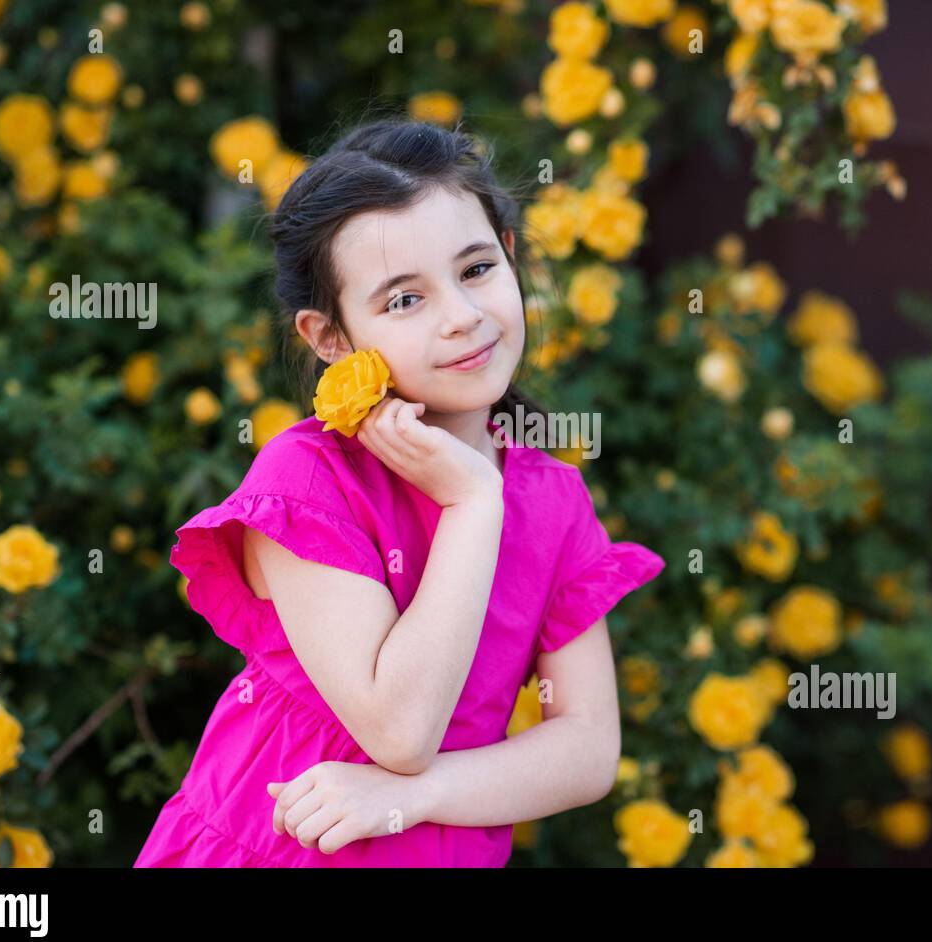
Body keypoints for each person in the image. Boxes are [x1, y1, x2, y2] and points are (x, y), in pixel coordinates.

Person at [133, 117, 665, 867]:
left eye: (476, 268)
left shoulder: (552, 502)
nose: (462, 316)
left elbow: (586, 746)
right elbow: (400, 727)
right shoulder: (307, 481)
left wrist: (414, 795)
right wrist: (473, 503)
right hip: (280, 848)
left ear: (510, 256)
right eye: (404, 300)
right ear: (332, 339)